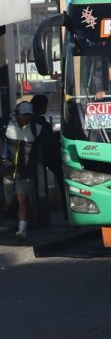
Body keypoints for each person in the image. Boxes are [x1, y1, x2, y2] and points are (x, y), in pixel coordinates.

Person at [2, 102, 45, 241]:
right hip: (8, 169)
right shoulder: (6, 125)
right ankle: (12, 222)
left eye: (28, 115)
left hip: (26, 171)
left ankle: (22, 229)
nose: (26, 118)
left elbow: (42, 147)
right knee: (9, 200)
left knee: (23, 200)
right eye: (23, 115)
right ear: (17, 114)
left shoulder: (36, 128)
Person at [30, 95, 65, 220]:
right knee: (62, 179)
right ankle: (66, 210)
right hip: (49, 156)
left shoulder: (31, 120)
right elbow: (48, 141)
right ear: (42, 107)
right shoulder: (40, 121)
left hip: (40, 157)